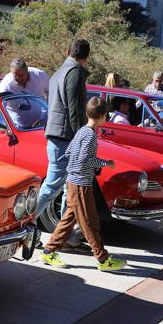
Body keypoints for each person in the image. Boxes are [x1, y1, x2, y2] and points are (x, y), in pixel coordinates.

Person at [40, 97, 126, 271]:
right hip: (80, 184)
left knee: (68, 220)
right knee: (90, 223)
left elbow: (70, 151)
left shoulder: (81, 131)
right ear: (103, 116)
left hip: (74, 181)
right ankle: (103, 259)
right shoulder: (91, 135)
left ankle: (48, 252)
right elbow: (84, 159)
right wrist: (104, 164)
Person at [37, 39, 91, 249]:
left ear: (68, 51)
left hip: (57, 136)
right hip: (65, 138)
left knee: (66, 189)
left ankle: (65, 235)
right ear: (86, 57)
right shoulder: (75, 72)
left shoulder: (59, 71)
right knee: (53, 187)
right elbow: (74, 110)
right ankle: (22, 224)